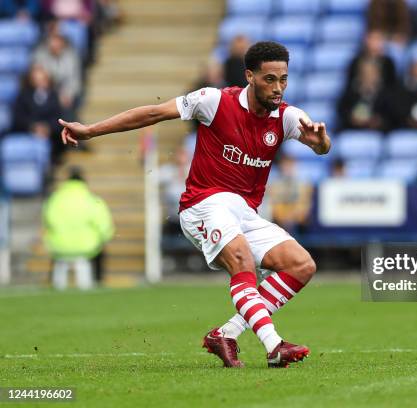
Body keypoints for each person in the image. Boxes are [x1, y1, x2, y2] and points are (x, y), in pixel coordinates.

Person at [57, 41, 331, 368]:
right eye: (269, 79)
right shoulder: (213, 101)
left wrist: (321, 143)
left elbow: (321, 145)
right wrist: (89, 131)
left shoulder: (287, 118)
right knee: (242, 259)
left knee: (301, 265)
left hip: (243, 212)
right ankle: (274, 345)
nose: (278, 88)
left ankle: (225, 334)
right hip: (203, 204)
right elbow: (153, 113)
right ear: (250, 76)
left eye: (283, 79)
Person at [43, 166, 114, 290]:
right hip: (87, 248)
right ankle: (97, 282)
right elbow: (104, 226)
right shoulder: (92, 200)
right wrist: (104, 239)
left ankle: (55, 283)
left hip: (60, 246)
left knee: (58, 258)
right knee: (99, 252)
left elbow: (48, 221)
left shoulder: (55, 199)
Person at [12, 64, 65, 165]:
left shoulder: (53, 96)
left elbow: (58, 118)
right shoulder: (23, 96)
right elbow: (18, 118)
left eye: (43, 79)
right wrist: (33, 127)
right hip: (28, 134)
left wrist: (47, 128)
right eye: (37, 79)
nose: (41, 82)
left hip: (51, 137)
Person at [337, 59, 391, 131]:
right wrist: (351, 119)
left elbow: (390, 115)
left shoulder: (386, 92)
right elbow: (342, 110)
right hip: (353, 131)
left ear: (378, 74)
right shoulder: (351, 91)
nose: (368, 76)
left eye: (371, 73)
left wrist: (378, 121)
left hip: (378, 132)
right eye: (364, 73)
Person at [268, 155, 313, 236]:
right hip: (279, 223)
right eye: (286, 166)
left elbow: (304, 207)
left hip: (298, 224)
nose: (288, 169)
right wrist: (284, 217)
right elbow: (273, 207)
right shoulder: (274, 185)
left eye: (290, 165)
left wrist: (293, 216)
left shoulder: (303, 185)